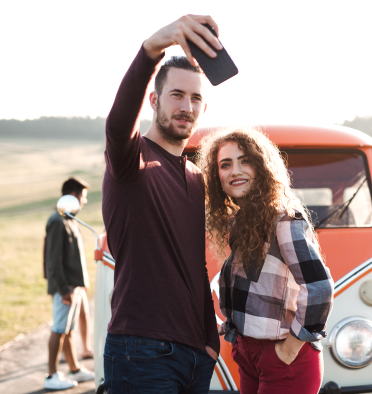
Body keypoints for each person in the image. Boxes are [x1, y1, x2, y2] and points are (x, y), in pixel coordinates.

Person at [101, 15, 221, 393]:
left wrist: (209, 341)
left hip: (194, 357)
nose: (187, 106)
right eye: (177, 95)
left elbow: (194, 264)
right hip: (141, 349)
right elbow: (118, 126)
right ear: (153, 100)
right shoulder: (132, 160)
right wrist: (151, 50)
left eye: (196, 98)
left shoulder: (196, 177)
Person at [196, 127, 335, 394]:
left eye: (245, 160)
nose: (235, 170)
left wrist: (287, 350)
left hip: (285, 357)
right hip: (249, 354)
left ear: (262, 167)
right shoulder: (243, 221)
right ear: (217, 177)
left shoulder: (284, 220)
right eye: (226, 164)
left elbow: (319, 288)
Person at [44, 177, 95, 390]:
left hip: (74, 287)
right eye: (83, 197)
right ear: (73, 195)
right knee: (58, 329)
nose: (84, 201)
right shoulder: (58, 220)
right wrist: (64, 289)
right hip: (65, 288)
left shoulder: (69, 218)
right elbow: (53, 260)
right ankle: (51, 375)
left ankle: (74, 369)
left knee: (68, 329)